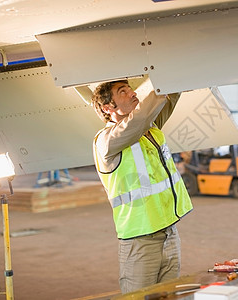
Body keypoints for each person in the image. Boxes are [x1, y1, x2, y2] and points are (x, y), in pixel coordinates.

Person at [91, 80, 193, 294]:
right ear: (109, 108)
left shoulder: (149, 129)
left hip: (169, 233)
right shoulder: (106, 141)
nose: (132, 92)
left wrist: (172, 73)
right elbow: (140, 119)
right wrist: (158, 92)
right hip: (140, 241)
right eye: (123, 92)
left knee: (169, 296)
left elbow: (170, 96)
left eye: (129, 88)